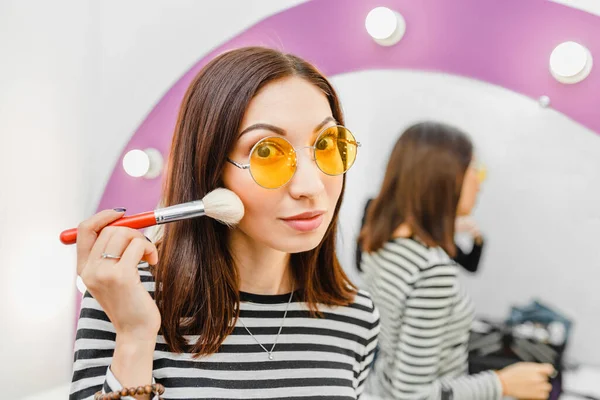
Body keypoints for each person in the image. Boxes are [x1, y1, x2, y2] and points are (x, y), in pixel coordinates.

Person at [70, 47, 379, 400]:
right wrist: (135, 336)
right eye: (266, 151)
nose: (310, 187)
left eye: (325, 143)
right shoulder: (125, 297)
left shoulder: (355, 316)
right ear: (211, 168)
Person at [358, 122, 554, 399]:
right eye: (473, 167)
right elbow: (412, 394)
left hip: (379, 384)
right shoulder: (431, 270)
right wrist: (501, 383)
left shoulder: (379, 240)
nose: (480, 180)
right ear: (443, 176)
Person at [357, 207, 485, 274]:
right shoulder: (376, 209)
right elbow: (360, 262)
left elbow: (470, 265)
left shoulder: (433, 227)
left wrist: (477, 237)